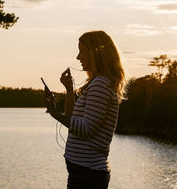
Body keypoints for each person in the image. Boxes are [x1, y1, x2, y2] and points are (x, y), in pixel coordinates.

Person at [44, 30, 125, 189]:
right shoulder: (98, 83)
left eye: (82, 51)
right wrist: (69, 90)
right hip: (83, 173)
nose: (78, 57)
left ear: (95, 53)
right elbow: (74, 118)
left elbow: (86, 129)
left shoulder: (100, 84)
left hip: (88, 176)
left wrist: (55, 113)